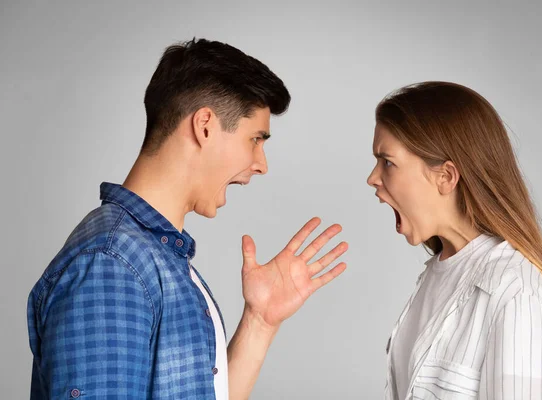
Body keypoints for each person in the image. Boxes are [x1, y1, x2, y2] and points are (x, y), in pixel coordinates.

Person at [27, 38, 348, 399]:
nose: (261, 164)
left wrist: (260, 321)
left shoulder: (153, 257)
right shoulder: (112, 266)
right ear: (205, 125)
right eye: (255, 139)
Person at [367, 81, 542, 400]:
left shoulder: (517, 292)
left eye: (387, 162)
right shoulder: (437, 276)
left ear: (446, 177)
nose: (373, 178)